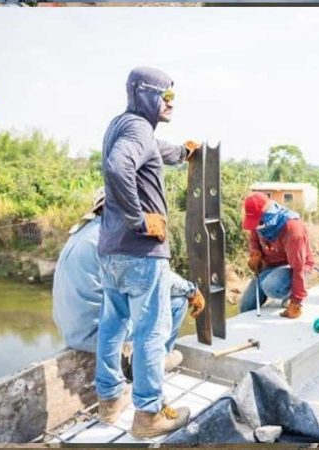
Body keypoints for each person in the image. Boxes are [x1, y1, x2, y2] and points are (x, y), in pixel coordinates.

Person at [96, 66, 202, 438]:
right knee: (151, 333)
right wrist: (138, 219)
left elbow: (159, 151)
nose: (171, 103)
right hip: (141, 251)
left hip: (111, 251)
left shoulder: (123, 125)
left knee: (112, 325)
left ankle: (109, 399)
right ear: (145, 94)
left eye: (173, 96)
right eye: (165, 96)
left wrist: (185, 153)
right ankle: (149, 415)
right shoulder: (139, 128)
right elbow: (118, 166)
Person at [51, 188, 204, 374]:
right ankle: (153, 363)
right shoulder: (114, 238)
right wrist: (191, 290)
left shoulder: (84, 231)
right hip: (96, 334)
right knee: (177, 302)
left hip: (74, 332)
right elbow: (157, 278)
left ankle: (141, 358)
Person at [239, 192, 314, 319]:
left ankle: (289, 295)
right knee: (246, 306)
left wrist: (296, 301)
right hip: (270, 267)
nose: (256, 226)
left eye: (258, 222)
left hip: (294, 267)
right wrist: (255, 254)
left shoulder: (292, 229)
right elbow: (254, 239)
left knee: (271, 286)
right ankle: (268, 280)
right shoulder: (260, 222)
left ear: (267, 215)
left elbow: (298, 267)